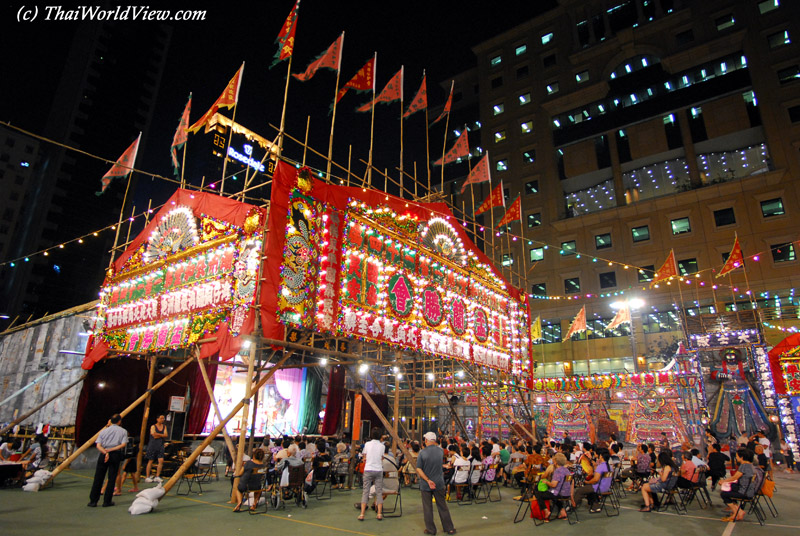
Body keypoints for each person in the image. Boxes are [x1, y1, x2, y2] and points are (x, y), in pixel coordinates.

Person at [416, 431, 456, 535]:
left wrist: (428, 480)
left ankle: (431, 529)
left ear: (426, 440)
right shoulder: (440, 451)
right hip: (439, 482)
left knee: (427, 507)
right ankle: (449, 528)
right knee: (442, 506)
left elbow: (419, 469)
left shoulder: (422, 453)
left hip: (426, 484)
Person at [88, 414, 127, 507]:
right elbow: (123, 444)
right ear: (119, 421)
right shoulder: (123, 431)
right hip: (115, 454)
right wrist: (111, 450)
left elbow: (98, 445)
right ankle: (107, 501)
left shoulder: (103, 431)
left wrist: (105, 452)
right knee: (111, 478)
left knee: (98, 477)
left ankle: (93, 501)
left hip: (103, 453)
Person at [719, 448, 759, 522]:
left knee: (724, 494)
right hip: (750, 491)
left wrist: (723, 481)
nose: (736, 458)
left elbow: (735, 477)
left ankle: (737, 512)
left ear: (742, 457)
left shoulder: (744, 466)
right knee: (730, 489)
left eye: (737, 456)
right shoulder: (751, 466)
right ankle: (739, 511)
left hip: (744, 492)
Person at [358, 428, 385, 521]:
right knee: (379, 492)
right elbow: (382, 458)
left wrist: (367, 458)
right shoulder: (382, 446)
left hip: (368, 469)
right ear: (380, 436)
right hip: (378, 470)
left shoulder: (367, 444)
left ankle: (362, 514)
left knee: (366, 491)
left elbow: (364, 456)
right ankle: (379, 514)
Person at [232, 448, 267, 512]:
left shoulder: (248, 463)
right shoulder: (263, 466)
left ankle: (239, 502)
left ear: (253, 455)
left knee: (239, 489)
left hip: (246, 486)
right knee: (258, 490)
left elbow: (240, 473)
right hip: (257, 486)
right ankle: (254, 504)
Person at [144, 414, 167, 483]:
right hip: (152, 445)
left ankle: (157, 476)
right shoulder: (153, 426)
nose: (162, 420)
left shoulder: (164, 426)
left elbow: (166, 435)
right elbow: (153, 435)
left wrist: (158, 434)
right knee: (150, 460)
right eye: (161, 418)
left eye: (163, 418)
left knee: (161, 460)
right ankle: (147, 476)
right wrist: (161, 435)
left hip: (160, 445)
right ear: (157, 419)